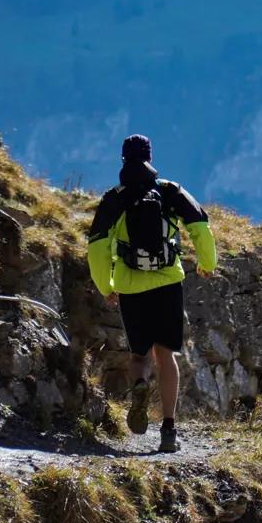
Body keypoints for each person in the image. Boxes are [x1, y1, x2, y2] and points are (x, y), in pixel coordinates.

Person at [87, 134, 217, 452]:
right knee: (166, 355)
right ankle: (169, 429)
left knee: (139, 355)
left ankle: (140, 384)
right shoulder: (169, 191)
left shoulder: (114, 198)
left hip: (131, 286)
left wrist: (107, 285)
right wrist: (207, 263)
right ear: (150, 157)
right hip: (168, 283)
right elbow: (199, 224)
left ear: (123, 160)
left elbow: (98, 246)